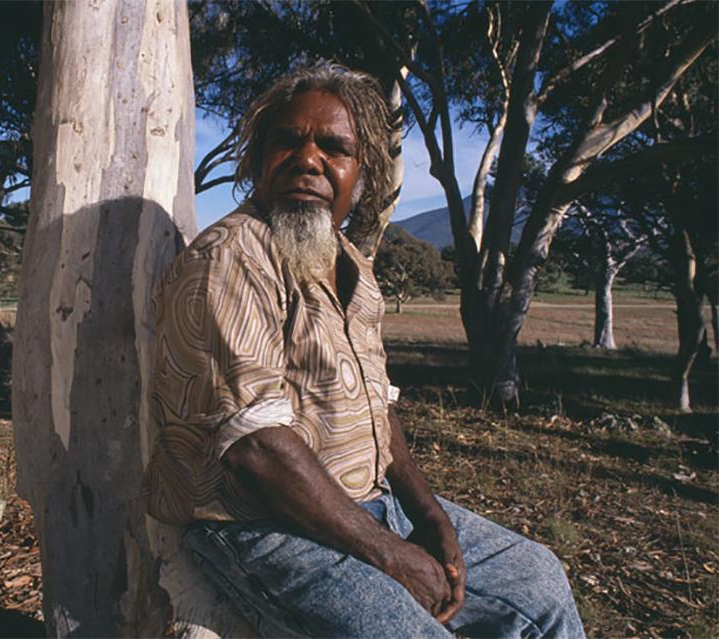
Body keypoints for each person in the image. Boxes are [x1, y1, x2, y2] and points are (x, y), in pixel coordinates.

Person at [143, 63, 585, 638]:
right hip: (261, 527)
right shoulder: (232, 257)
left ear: (361, 173)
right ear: (256, 161)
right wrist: (393, 557)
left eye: (334, 147)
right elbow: (256, 449)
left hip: (365, 508)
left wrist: (428, 515)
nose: (308, 159)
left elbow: (377, 405)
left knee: (538, 581)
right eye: (286, 141)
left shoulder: (351, 262)